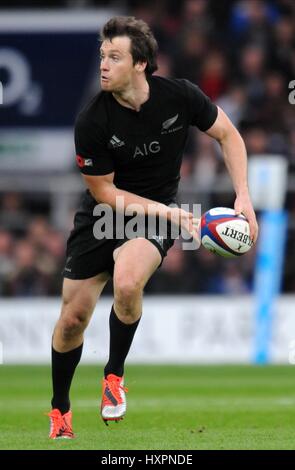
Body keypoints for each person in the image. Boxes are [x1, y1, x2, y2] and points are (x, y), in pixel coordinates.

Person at [47, 16, 258, 439]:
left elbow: (229, 136)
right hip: (103, 216)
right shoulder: (92, 120)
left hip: (154, 215)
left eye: (115, 57)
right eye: (102, 55)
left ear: (141, 63)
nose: (104, 64)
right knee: (72, 320)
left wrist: (243, 196)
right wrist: (170, 214)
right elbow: (105, 194)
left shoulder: (180, 97)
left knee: (127, 284)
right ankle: (60, 410)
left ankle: (113, 377)